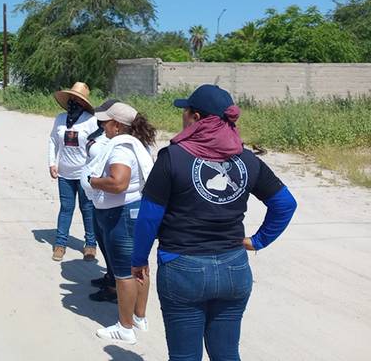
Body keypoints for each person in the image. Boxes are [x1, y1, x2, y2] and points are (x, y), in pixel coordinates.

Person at [131, 85, 297, 360]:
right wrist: (257, 241)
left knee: (185, 356)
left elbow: (149, 217)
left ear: (195, 118)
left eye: (185, 112)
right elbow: (285, 204)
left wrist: (138, 260)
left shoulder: (172, 157)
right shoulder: (246, 159)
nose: (182, 117)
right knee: (227, 354)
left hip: (183, 267)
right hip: (234, 267)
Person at [81, 103, 156, 344]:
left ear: (117, 125)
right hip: (136, 210)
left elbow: (118, 183)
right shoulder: (139, 144)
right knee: (140, 265)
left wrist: (93, 181)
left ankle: (125, 328)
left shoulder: (121, 148)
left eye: (106, 122)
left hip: (120, 214)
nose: (103, 126)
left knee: (124, 274)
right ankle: (139, 317)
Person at [48, 82, 99, 262]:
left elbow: (98, 146)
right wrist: (51, 162)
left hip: (85, 173)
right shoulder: (60, 119)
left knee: (87, 209)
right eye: (71, 99)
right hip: (64, 173)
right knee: (66, 208)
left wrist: (95, 170)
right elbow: (53, 141)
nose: (73, 103)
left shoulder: (90, 121)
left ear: (83, 103)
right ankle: (60, 244)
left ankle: (91, 245)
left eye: (77, 100)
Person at [84, 99, 118, 304]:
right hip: (95, 195)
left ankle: (115, 286)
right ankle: (110, 276)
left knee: (110, 243)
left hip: (108, 198)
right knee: (103, 240)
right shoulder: (100, 134)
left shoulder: (116, 140)